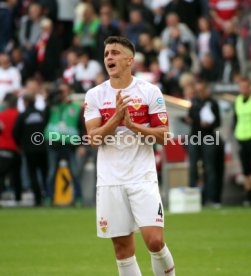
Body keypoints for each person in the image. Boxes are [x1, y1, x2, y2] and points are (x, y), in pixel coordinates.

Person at [84, 36, 175, 276]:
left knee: (154, 241)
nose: (109, 58)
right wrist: (115, 118)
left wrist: (134, 126)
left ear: (129, 60)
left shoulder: (149, 91)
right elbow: (93, 138)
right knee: (122, 250)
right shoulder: (94, 95)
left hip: (142, 176)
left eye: (114, 53)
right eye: (106, 54)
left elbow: (164, 135)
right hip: (110, 179)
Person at [234, 77, 251, 205]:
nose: (243, 89)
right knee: (245, 169)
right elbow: (236, 118)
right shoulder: (238, 101)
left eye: (246, 86)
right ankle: (248, 196)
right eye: (241, 87)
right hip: (241, 137)